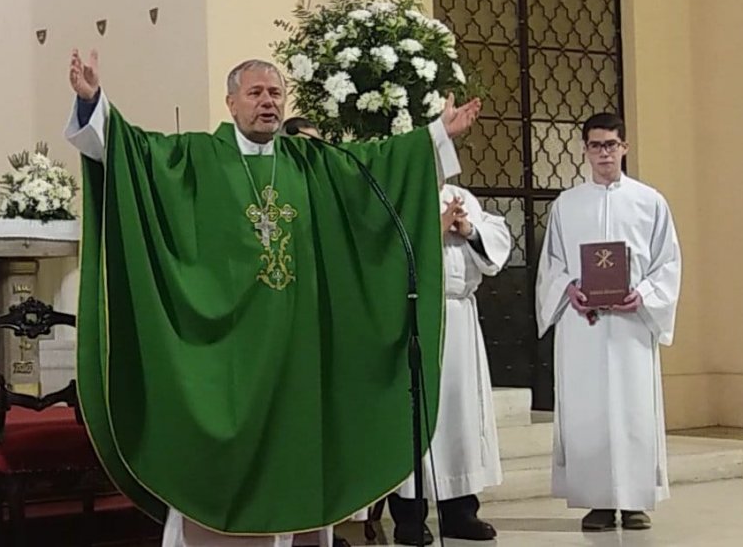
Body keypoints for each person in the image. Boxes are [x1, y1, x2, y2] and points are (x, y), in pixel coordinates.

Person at [64, 49, 480, 547]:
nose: (268, 103)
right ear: (231, 103)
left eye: (276, 93)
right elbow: (133, 153)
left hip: (300, 346)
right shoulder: (195, 157)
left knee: (298, 450)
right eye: (256, 93)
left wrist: (436, 135)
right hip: (230, 350)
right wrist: (94, 103)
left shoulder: (312, 164)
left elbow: (376, 168)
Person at [534, 112, 682, 532]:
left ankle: (634, 500)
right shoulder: (567, 203)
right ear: (585, 150)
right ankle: (597, 501)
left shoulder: (650, 201)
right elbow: (552, 264)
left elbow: (667, 261)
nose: (604, 153)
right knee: (588, 410)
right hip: (585, 325)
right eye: (596, 145)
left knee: (633, 410)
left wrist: (646, 295)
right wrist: (569, 290)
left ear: (625, 147)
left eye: (611, 144)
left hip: (632, 324)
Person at [387, 183, 510, 545]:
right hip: (415, 314)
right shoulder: (399, 189)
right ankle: (409, 517)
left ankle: (460, 511)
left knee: (460, 416)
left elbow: (496, 241)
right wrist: (433, 228)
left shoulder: (462, 196)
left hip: (458, 314)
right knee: (416, 414)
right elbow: (381, 249)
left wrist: (468, 230)